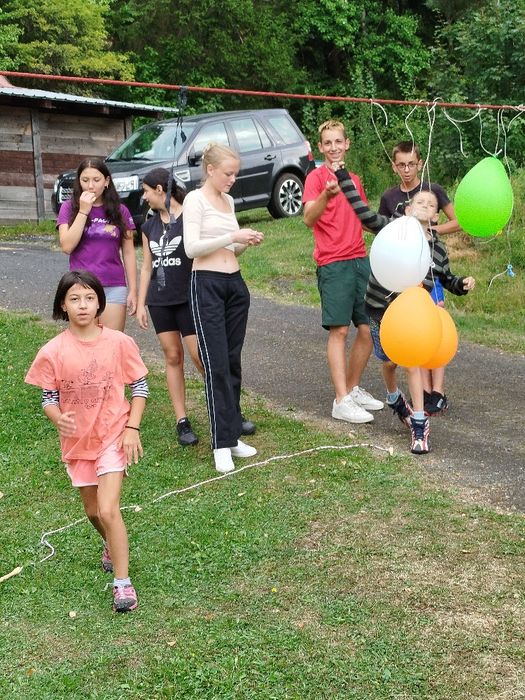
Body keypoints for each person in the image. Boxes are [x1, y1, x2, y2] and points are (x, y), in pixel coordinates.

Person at [25, 270, 148, 612]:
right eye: (75, 299)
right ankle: (111, 544)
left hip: (112, 434)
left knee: (109, 509)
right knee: (94, 512)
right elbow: (48, 397)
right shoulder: (53, 351)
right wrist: (57, 417)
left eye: (90, 298)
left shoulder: (119, 343)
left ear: (99, 303)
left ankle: (122, 584)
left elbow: (140, 386)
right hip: (78, 443)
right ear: (63, 305)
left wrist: (132, 428)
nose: (83, 305)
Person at [333, 168, 475, 454]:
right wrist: (344, 178)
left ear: (436, 216)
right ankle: (394, 397)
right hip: (379, 309)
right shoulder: (393, 229)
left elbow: (446, 278)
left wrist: (461, 284)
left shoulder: (437, 248)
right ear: (408, 209)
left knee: (411, 362)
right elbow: (364, 215)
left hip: (410, 315)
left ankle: (420, 425)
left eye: (431, 204)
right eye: (419, 202)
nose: (425, 205)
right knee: (388, 363)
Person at [182, 143, 264, 474]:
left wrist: (243, 242)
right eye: (228, 173)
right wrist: (232, 234)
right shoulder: (195, 199)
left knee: (231, 361)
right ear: (211, 170)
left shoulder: (227, 201)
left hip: (235, 284)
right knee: (215, 363)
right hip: (207, 284)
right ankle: (220, 443)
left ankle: (232, 435)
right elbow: (192, 248)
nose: (232, 179)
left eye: (235, 174)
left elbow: (231, 247)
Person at [303, 119, 383, 425]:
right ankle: (340, 401)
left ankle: (351, 389)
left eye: (339, 141)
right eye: (328, 143)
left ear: (346, 144)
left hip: (360, 259)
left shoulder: (355, 180)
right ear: (321, 147)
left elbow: (363, 218)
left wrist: (395, 226)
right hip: (333, 263)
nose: (334, 147)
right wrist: (327, 194)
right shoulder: (315, 179)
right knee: (339, 331)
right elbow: (308, 218)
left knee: (368, 328)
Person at [379, 140, 461, 415]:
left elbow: (457, 221)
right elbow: (380, 229)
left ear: (419, 164)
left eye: (411, 164)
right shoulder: (389, 197)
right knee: (417, 330)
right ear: (394, 166)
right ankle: (423, 392)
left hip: (431, 275)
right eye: (401, 165)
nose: (406, 169)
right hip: (405, 277)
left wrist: (431, 232)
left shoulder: (431, 191)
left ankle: (438, 391)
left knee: (435, 326)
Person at [137, 168, 203, 447]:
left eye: (146, 191)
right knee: (173, 356)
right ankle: (181, 420)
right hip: (160, 301)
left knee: (200, 356)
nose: (144, 197)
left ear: (160, 190)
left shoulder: (190, 217)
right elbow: (146, 267)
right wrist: (142, 303)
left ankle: (227, 409)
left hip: (188, 297)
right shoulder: (148, 227)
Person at [57, 158, 138, 332]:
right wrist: (83, 211)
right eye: (85, 180)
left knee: (112, 340)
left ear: (106, 181)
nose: (90, 186)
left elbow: (129, 252)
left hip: (114, 284)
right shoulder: (68, 208)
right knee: (85, 341)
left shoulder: (121, 210)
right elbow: (67, 246)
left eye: (96, 180)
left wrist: (133, 290)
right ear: (79, 181)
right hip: (81, 286)